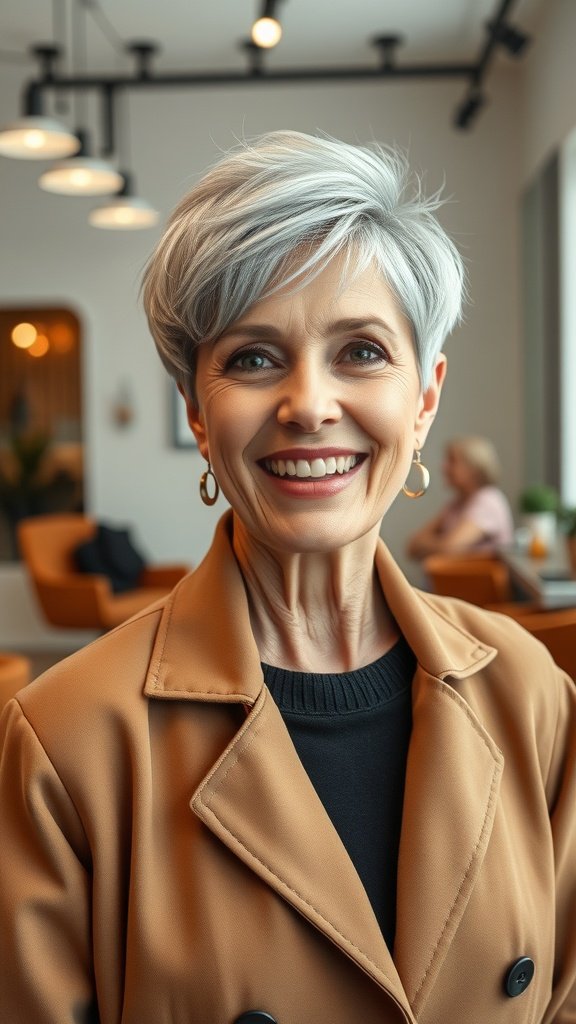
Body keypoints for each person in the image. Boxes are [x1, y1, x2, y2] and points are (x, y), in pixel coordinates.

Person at [0, 132, 575, 1024]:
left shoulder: (532, 692)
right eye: (255, 358)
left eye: (363, 352)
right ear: (196, 410)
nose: (309, 404)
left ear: (424, 399)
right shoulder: (64, 742)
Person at [406, 435, 515, 560]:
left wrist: (434, 545)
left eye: (452, 461)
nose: (444, 467)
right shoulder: (456, 504)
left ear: (474, 467)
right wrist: (441, 545)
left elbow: (449, 549)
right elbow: (412, 546)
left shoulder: (488, 500)